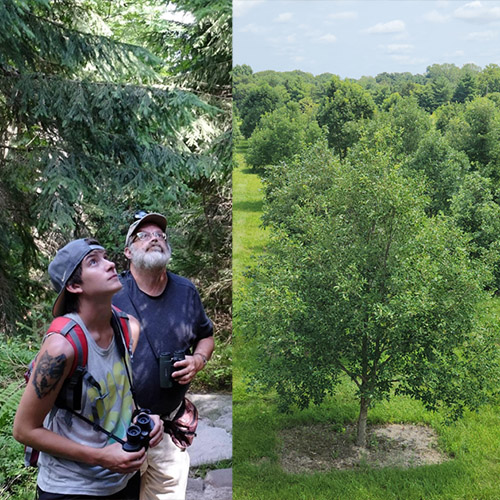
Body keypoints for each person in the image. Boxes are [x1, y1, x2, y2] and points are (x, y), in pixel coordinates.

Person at [13, 238, 164, 500]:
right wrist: (102, 457)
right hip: (70, 488)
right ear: (74, 285)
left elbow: (119, 398)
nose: (110, 264)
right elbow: (24, 430)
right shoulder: (61, 348)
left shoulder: (128, 328)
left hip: (122, 480)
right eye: (94, 261)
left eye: (106, 257)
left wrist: (144, 418)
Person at [112, 212, 215, 500]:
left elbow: (206, 336)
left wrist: (198, 360)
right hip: (121, 432)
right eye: (143, 235)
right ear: (128, 252)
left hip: (169, 434)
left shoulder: (185, 291)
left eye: (160, 235)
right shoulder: (112, 294)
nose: (155, 237)